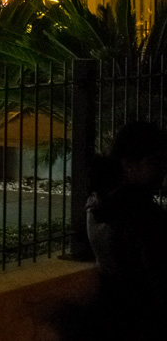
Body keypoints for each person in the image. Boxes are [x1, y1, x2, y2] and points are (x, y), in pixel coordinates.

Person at [84, 121, 167, 339]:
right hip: (142, 320)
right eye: (155, 161)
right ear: (129, 164)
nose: (162, 169)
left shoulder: (98, 204)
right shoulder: (143, 216)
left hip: (110, 314)